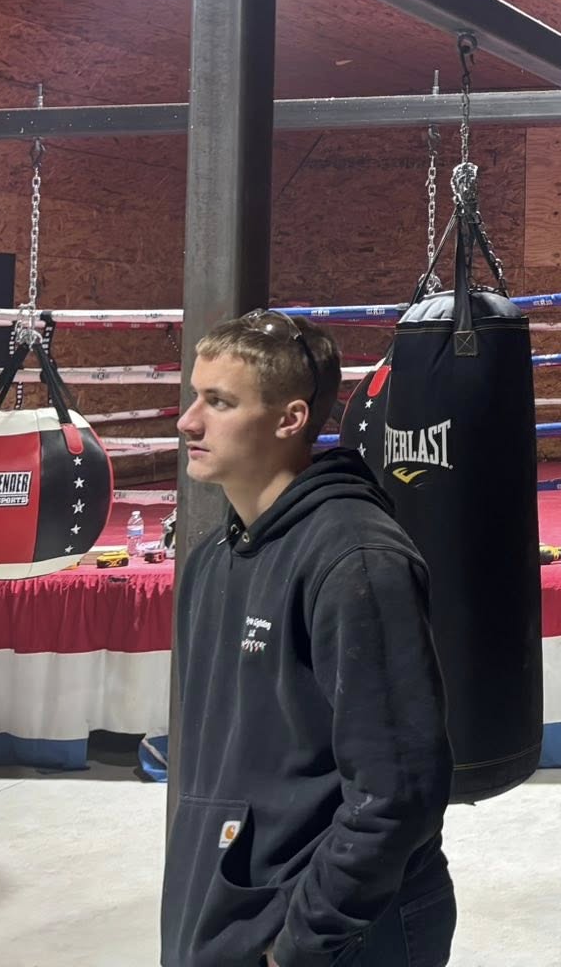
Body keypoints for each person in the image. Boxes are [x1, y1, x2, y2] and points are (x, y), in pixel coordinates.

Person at [161, 311, 456, 967]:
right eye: (194, 397)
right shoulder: (211, 560)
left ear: (290, 419)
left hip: (335, 937)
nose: (188, 422)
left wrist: (300, 944)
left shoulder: (356, 559)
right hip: (231, 916)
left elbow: (397, 792)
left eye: (219, 402)